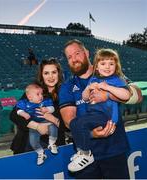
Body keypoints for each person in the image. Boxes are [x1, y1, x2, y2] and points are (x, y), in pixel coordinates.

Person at [59, 39, 142, 179]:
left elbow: (137, 96)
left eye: (77, 53)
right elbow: (69, 121)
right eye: (69, 57)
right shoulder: (67, 86)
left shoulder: (109, 72)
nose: (74, 59)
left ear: (86, 53)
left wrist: (108, 95)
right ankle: (85, 154)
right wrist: (92, 134)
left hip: (114, 149)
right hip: (85, 156)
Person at [67, 48, 131, 172]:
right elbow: (85, 98)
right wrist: (88, 88)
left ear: (116, 66)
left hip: (106, 116)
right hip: (93, 114)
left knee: (81, 123)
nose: (107, 67)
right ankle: (82, 152)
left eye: (111, 64)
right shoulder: (94, 80)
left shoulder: (117, 79)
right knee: (74, 123)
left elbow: (126, 95)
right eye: (103, 63)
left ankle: (86, 154)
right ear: (96, 67)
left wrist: (108, 89)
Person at [10, 58, 66, 155]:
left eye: (54, 72)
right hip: (26, 146)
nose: (51, 76)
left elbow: (68, 126)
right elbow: (14, 115)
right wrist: (37, 126)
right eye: (46, 73)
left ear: (59, 74)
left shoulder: (66, 93)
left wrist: (53, 119)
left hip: (55, 147)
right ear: (41, 75)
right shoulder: (34, 91)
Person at [16, 83, 58, 165]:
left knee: (53, 127)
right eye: (38, 94)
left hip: (46, 122)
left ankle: (52, 143)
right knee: (33, 141)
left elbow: (52, 108)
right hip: (34, 126)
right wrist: (23, 114)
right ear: (30, 97)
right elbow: (17, 111)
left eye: (41, 94)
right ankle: (40, 153)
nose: (41, 96)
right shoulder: (25, 103)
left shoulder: (44, 102)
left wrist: (47, 110)